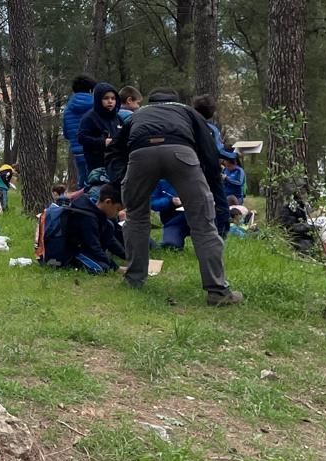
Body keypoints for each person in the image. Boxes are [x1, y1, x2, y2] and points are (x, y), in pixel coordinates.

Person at [120, 89, 242, 306]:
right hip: (181, 154)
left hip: (140, 157)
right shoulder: (187, 111)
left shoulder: (137, 114)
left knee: (136, 218)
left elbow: (115, 149)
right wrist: (215, 189)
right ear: (176, 101)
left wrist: (120, 178)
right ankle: (218, 292)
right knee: (203, 225)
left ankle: (133, 280)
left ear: (150, 102)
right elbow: (208, 150)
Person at [41, 181, 127, 271]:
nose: (117, 213)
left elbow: (111, 241)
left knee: (109, 227)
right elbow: (94, 248)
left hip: (81, 248)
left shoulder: (97, 214)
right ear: (108, 202)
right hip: (70, 252)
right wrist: (116, 268)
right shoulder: (88, 218)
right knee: (101, 268)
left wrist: (127, 256)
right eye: (117, 209)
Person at [77, 83, 120, 180]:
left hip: (116, 162)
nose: (110, 101)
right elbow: (81, 137)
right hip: (96, 164)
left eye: (113, 98)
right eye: (106, 98)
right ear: (98, 99)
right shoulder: (89, 118)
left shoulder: (117, 118)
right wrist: (102, 142)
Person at [62, 75, 95, 187]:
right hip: (95, 148)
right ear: (91, 89)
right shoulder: (97, 105)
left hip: (77, 151)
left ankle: (83, 201)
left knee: (83, 179)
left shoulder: (68, 108)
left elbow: (66, 133)